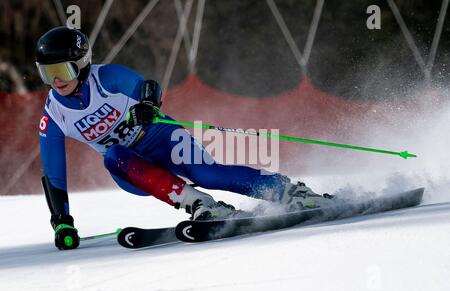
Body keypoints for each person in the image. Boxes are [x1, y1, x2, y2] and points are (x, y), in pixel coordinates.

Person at [37, 27, 334, 250]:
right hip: (133, 167)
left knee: (204, 172)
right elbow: (53, 174)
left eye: (63, 70)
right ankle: (201, 206)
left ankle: (290, 192)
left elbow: (146, 87)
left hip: (161, 137)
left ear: (83, 63)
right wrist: (61, 221)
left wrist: (147, 107)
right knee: (112, 155)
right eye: (47, 73)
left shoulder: (107, 78)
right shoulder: (53, 115)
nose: (57, 81)